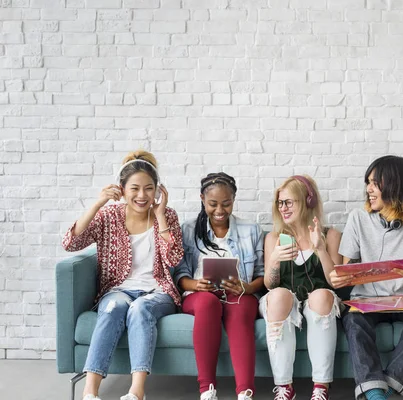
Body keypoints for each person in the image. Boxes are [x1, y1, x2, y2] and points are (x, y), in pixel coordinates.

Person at [62, 150, 183, 400]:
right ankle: (90, 392)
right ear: (122, 189)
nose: (142, 196)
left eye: (149, 188)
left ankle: (136, 392)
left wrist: (160, 215)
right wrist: (97, 204)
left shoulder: (168, 215)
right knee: (112, 308)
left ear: (157, 190)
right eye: (135, 188)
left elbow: (173, 258)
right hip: (117, 289)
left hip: (157, 291)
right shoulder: (109, 215)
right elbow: (70, 243)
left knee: (140, 309)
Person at [330, 155, 403, 400]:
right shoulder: (358, 218)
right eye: (368, 182)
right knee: (354, 323)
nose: (368, 189)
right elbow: (347, 270)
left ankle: (389, 384)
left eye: (375, 183)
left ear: (395, 185)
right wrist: (342, 278)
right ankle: (374, 392)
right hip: (366, 301)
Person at [173, 172, 264, 400]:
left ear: (234, 200)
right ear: (202, 198)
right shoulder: (188, 229)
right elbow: (179, 273)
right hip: (200, 294)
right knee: (207, 302)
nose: (220, 210)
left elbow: (263, 275)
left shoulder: (252, 230)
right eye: (213, 204)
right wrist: (196, 284)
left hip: (239, 293)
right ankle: (207, 388)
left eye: (226, 203)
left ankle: (245, 391)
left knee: (242, 307)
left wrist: (247, 287)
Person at [261, 175, 343, 400]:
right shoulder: (274, 238)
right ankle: (284, 388)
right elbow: (270, 285)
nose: (283, 208)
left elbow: (335, 281)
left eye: (289, 202)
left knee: (322, 295)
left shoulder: (331, 235)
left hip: (319, 301)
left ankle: (320, 388)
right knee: (278, 295)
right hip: (282, 302)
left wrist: (321, 250)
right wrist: (275, 260)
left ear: (307, 202)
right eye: (280, 203)